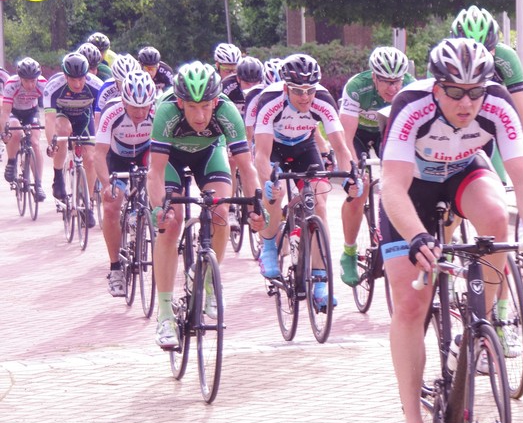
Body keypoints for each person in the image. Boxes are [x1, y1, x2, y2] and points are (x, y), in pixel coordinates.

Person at [380, 38, 523, 423]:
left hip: (463, 173)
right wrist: (417, 237)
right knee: (410, 304)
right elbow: (393, 186)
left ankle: (480, 324)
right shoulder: (410, 105)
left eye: (475, 92)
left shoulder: (497, 103)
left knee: (496, 218)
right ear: (437, 88)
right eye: (455, 92)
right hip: (413, 190)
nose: (467, 102)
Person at [148, 61, 263, 350]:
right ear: (180, 103)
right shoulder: (166, 111)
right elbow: (155, 172)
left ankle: (208, 279)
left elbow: (247, 168)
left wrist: (257, 209)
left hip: (209, 153)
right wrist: (159, 209)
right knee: (171, 222)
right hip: (172, 159)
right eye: (191, 107)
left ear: (215, 101)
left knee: (221, 210)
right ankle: (165, 315)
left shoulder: (227, 111)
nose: (200, 116)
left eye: (205, 107)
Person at [252, 53, 359, 310]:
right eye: (298, 91)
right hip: (275, 148)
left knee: (319, 204)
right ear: (286, 88)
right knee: (276, 191)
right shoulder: (269, 101)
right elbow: (261, 155)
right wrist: (268, 182)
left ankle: (320, 283)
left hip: (304, 147)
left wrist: (350, 179)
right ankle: (269, 245)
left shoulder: (323, 100)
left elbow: (341, 148)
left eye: (310, 90)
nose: (305, 97)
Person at [337, 46, 415, 287]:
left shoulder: (410, 86)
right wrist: (352, 173)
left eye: (397, 81)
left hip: (387, 132)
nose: (393, 88)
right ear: (374, 77)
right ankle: (349, 252)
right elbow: (345, 138)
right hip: (358, 135)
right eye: (387, 82)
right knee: (359, 188)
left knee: (403, 183)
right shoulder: (356, 87)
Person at [451, 5, 523, 168]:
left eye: (485, 53)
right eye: (469, 56)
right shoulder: (442, 61)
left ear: (493, 48)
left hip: (488, 122)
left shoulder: (505, 57)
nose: (478, 62)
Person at [93, 70, 156, 297]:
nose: (140, 113)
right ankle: (115, 269)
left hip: (145, 156)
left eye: (145, 107)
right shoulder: (112, 112)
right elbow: (99, 154)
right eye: (134, 107)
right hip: (116, 159)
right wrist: (106, 185)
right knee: (111, 206)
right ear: (123, 101)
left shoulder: (158, 112)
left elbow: (165, 152)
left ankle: (142, 222)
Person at [44, 52, 103, 221]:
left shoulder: (97, 85)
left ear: (87, 75)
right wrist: (52, 144)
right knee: (63, 131)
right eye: (73, 79)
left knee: (90, 159)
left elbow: (101, 117)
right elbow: (49, 120)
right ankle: (58, 177)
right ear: (65, 76)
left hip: (84, 119)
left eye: (81, 79)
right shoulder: (53, 87)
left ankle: (87, 203)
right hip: (63, 117)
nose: (77, 84)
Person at [2, 57, 47, 200]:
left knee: (35, 143)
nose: (30, 85)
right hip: (14, 111)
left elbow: (50, 109)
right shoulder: (11, 84)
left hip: (31, 112)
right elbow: (5, 111)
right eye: (26, 81)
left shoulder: (43, 84)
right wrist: (4, 131)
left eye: (33, 80)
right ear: (20, 78)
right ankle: (11, 162)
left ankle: (38, 184)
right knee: (15, 132)